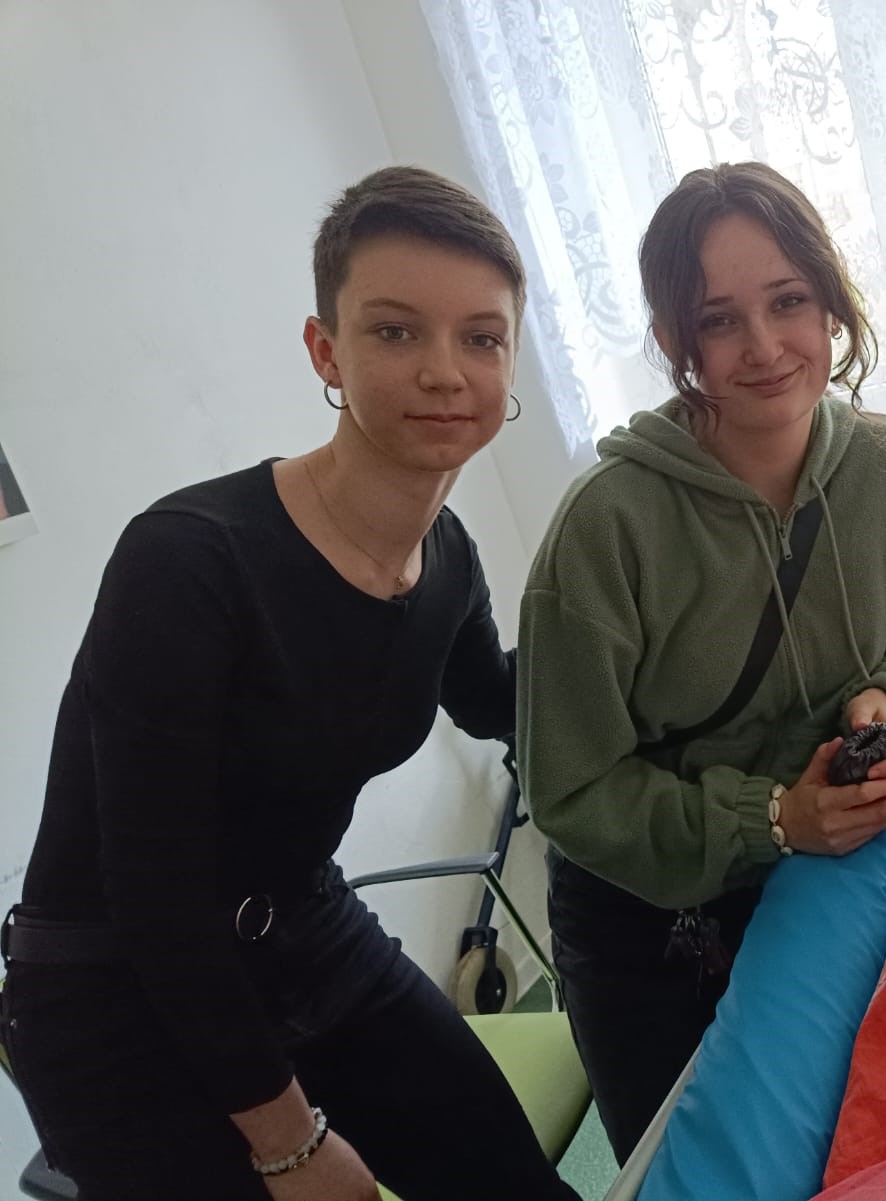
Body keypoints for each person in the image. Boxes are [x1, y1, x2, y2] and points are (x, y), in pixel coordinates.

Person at [0, 167, 578, 1201]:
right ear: (326, 351)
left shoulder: (444, 558)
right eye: (396, 331)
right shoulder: (187, 561)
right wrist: (289, 1141)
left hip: (303, 930)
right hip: (115, 993)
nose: (445, 372)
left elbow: (502, 702)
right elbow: (157, 895)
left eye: (482, 338)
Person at [517, 161, 886, 1161]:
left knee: (847, 1149)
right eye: (719, 320)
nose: (764, 346)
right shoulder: (606, 528)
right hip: (646, 919)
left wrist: (882, 694)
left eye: (788, 301)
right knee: (688, 1169)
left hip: (818, 883)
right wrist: (773, 817)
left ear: (831, 300)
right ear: (675, 340)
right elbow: (570, 791)